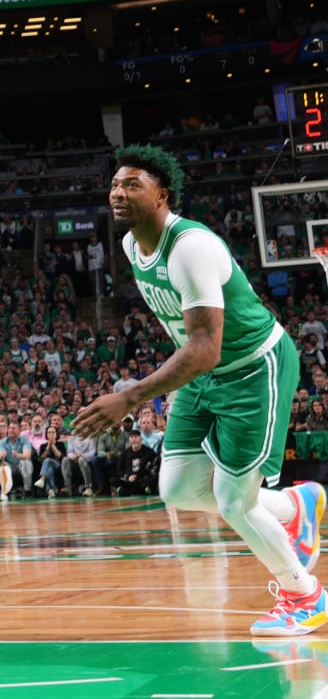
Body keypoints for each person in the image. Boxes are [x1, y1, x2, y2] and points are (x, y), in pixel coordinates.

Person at [74, 145, 327, 636]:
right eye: (115, 185)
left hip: (255, 368)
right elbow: (191, 342)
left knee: (235, 500)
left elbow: (207, 347)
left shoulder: (190, 245)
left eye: (133, 185)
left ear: (162, 195)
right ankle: (296, 507)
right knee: (177, 487)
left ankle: (306, 595)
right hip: (202, 373)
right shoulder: (130, 246)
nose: (118, 193)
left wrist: (130, 395)